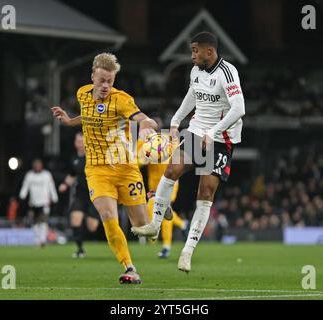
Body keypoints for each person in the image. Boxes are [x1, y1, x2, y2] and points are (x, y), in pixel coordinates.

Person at [131, 32, 246, 273]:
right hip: (197, 131)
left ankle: (187, 252)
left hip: (221, 138)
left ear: (210, 51)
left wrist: (213, 132)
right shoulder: (195, 72)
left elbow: (239, 108)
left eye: (196, 50)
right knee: (172, 169)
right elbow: (191, 97)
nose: (192, 55)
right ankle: (154, 224)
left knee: (205, 192)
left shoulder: (227, 72)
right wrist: (175, 121)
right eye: (191, 50)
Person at [51, 53, 158, 284]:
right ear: (93, 77)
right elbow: (88, 117)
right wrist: (70, 121)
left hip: (125, 168)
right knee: (108, 216)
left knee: (144, 228)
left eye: (110, 81)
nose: (106, 86)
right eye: (101, 80)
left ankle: (157, 204)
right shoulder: (82, 94)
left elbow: (141, 117)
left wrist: (148, 126)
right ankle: (129, 267)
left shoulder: (121, 100)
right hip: (97, 170)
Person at [137, 117, 188, 259]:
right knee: (151, 210)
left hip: (170, 181)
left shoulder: (169, 139)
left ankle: (166, 247)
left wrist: (164, 153)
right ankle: (182, 224)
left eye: (154, 124)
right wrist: (145, 158)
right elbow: (136, 162)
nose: (152, 127)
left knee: (164, 210)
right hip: (154, 185)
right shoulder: (143, 142)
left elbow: (179, 157)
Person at [58, 132, 100, 258]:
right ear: (75, 143)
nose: (80, 144)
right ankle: (80, 249)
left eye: (82, 141)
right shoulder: (74, 159)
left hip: (94, 195)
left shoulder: (93, 157)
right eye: (78, 141)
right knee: (75, 219)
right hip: (80, 195)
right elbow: (72, 175)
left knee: (92, 226)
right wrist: (65, 184)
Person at [19, 158, 58, 247]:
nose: (37, 167)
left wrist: (54, 197)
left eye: (39, 165)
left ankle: (43, 239)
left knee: (43, 221)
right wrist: (22, 196)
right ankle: (37, 240)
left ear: (41, 166)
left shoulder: (47, 175)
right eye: (36, 165)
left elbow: (51, 186)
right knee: (34, 222)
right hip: (33, 202)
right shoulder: (29, 175)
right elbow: (25, 186)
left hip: (44, 202)